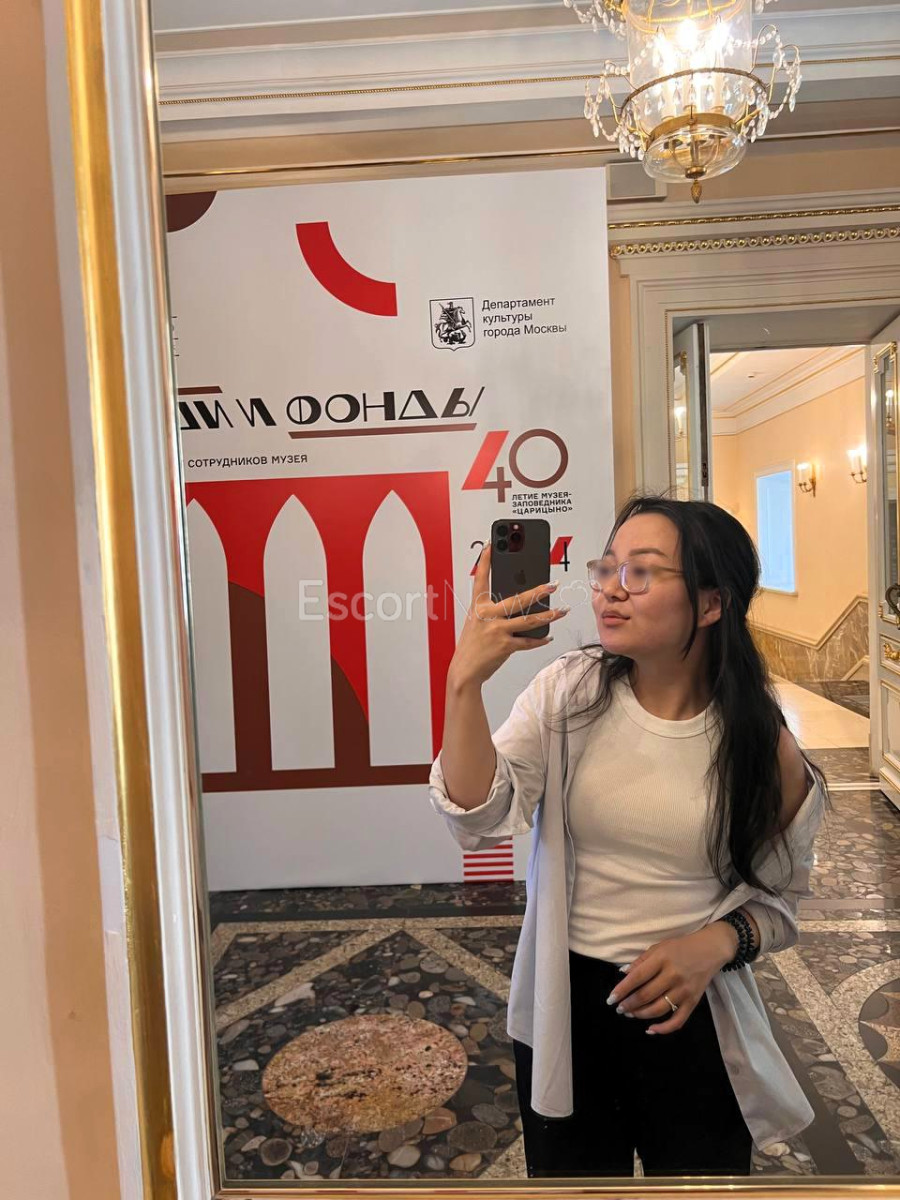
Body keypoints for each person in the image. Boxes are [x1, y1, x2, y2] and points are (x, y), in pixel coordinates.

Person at [429, 494, 828, 1178]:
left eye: (641, 572)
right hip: (565, 1008)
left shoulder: (763, 748)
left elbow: (781, 905)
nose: (611, 590)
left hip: (693, 1014)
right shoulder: (569, 693)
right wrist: (463, 683)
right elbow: (477, 817)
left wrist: (716, 944)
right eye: (606, 568)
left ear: (711, 603)